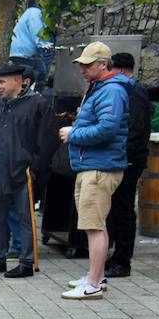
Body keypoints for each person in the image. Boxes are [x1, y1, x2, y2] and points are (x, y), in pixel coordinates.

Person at [59, 42, 131, 301]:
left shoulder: (111, 91)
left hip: (99, 167)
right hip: (92, 165)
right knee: (92, 224)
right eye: (82, 64)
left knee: (94, 225)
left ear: (104, 64)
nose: (82, 69)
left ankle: (94, 283)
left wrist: (74, 133)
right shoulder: (101, 88)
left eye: (88, 64)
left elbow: (108, 129)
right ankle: (95, 275)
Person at [0, 63, 52, 280]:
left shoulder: (37, 104)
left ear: (17, 82)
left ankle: (26, 261)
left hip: (23, 171)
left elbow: (46, 140)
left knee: (25, 218)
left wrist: (34, 168)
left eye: (2, 82)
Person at [106, 52, 152, 279]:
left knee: (123, 210)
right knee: (115, 209)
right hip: (121, 158)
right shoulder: (125, 91)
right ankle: (114, 256)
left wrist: (121, 157)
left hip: (128, 160)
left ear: (121, 70)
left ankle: (122, 260)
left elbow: (133, 130)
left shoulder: (134, 92)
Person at [9, 1, 53, 85]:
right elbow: (36, 30)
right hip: (23, 52)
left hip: (17, 51)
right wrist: (44, 44)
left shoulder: (28, 12)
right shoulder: (35, 13)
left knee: (22, 76)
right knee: (39, 72)